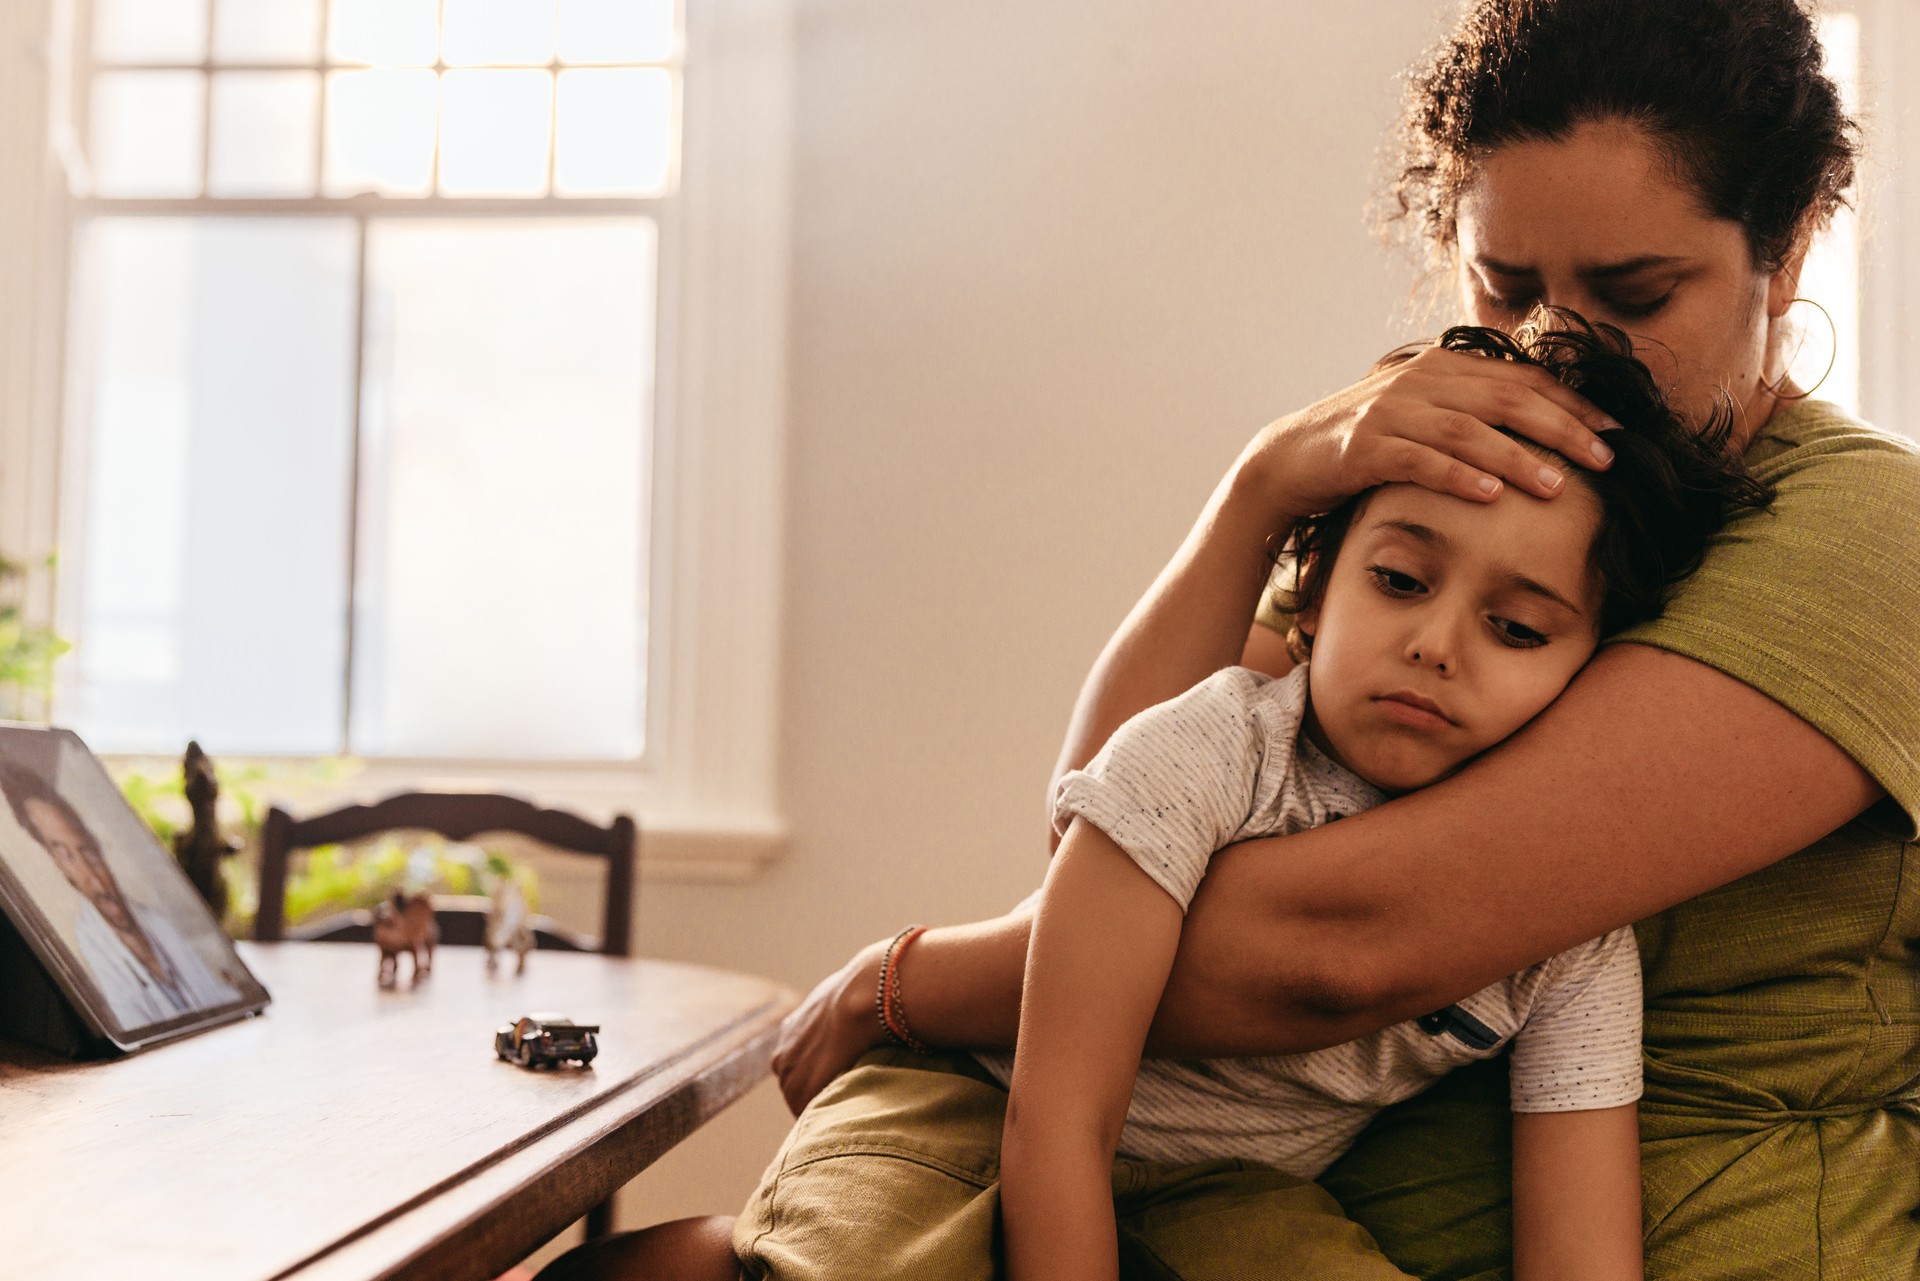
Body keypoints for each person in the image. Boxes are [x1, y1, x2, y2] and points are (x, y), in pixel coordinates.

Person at [557, 1, 1920, 1277]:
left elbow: (1338, 937)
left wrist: (905, 981)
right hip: (1206, 1193)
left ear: (1788, 248)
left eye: (1632, 294)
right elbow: (1112, 822)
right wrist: (1264, 485)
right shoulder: (1444, 493)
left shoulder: (1870, 533)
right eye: (1503, 287)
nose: (1559, 348)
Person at [0, 763, 241, 1028]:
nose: (92, 875)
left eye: (87, 851)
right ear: (55, 864)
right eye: (66, 855)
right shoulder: (87, 950)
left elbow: (220, 998)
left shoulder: (155, 922)